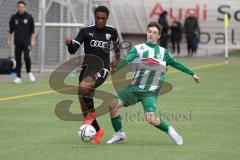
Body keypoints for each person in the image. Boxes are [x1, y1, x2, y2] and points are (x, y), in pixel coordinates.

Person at [106, 22, 200, 145]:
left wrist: (192, 74)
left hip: (150, 92)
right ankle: (119, 134)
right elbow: (127, 60)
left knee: (150, 118)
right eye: (149, 31)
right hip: (134, 88)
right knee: (112, 105)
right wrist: (116, 66)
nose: (151, 34)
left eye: (154, 32)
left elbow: (177, 64)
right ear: (147, 32)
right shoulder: (138, 48)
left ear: (159, 36)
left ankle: (170, 131)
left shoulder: (163, 52)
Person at [65, 6, 120, 144]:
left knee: (84, 88)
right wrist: (69, 44)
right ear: (94, 17)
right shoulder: (85, 31)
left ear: (107, 18)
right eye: (98, 18)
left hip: (102, 68)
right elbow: (73, 50)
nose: (100, 21)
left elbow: (117, 49)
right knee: (83, 104)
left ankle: (91, 116)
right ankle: (98, 131)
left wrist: (116, 60)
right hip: (86, 69)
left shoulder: (112, 31)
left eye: (103, 18)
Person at [7, 1, 36, 84]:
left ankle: (29, 72)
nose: (21, 8)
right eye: (19, 7)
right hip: (17, 43)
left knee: (27, 57)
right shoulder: (14, 18)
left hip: (27, 43)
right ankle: (18, 77)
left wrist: (32, 40)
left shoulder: (29, 17)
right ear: (17, 7)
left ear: (25, 8)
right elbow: (10, 31)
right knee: (18, 60)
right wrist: (8, 40)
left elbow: (32, 31)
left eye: (22, 7)